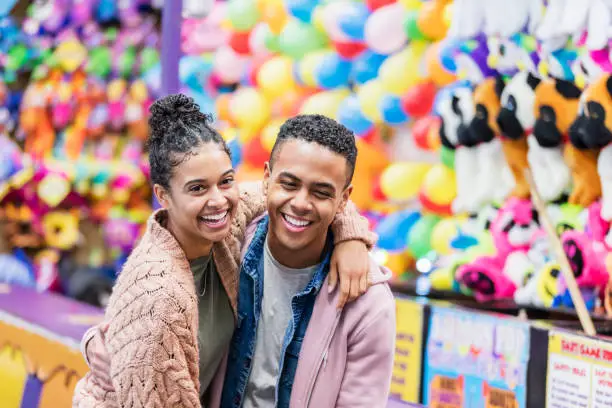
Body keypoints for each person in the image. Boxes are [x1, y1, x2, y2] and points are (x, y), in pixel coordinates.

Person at [72, 96, 376, 407]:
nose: (218, 200)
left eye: (226, 181)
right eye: (197, 188)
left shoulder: (227, 222)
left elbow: (302, 196)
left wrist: (349, 235)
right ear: (163, 196)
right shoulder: (160, 294)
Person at [209, 114, 396, 408]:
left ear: (344, 199)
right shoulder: (222, 250)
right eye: (289, 184)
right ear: (267, 178)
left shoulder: (368, 302)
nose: (300, 202)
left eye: (321, 193)